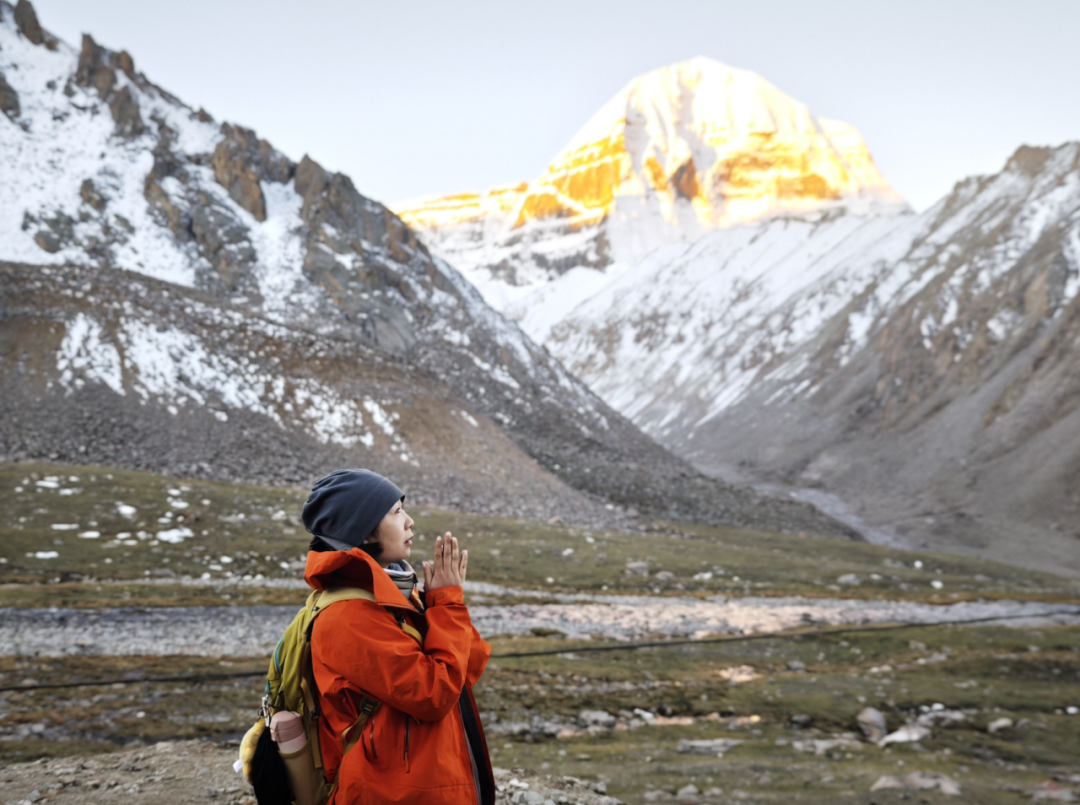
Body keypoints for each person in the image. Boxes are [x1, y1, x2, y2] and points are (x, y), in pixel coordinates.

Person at [301, 468, 494, 805]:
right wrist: (447, 604)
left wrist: (440, 604)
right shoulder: (348, 617)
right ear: (364, 531)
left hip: (426, 785)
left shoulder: (395, 596)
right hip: (390, 794)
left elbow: (467, 670)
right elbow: (434, 695)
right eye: (396, 511)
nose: (409, 522)